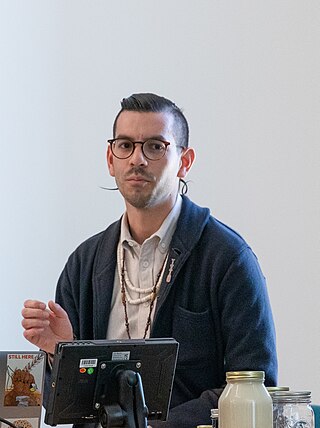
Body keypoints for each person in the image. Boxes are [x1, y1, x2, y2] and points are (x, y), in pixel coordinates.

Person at [21, 93, 278, 428]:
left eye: (155, 146)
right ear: (110, 159)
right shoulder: (84, 263)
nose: (137, 159)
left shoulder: (228, 258)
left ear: (185, 162)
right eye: (125, 145)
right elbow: (67, 408)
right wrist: (61, 354)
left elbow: (257, 387)